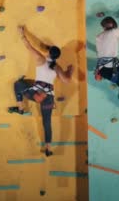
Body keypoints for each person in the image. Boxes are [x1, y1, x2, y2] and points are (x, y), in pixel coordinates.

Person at [8, 26, 74, 157]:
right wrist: (70, 70)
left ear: (49, 52)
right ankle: (48, 148)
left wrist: (22, 34)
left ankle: (21, 108)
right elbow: (66, 80)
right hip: (48, 98)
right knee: (47, 122)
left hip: (36, 93)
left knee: (18, 84)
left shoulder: (41, 59)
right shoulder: (57, 67)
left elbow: (29, 47)